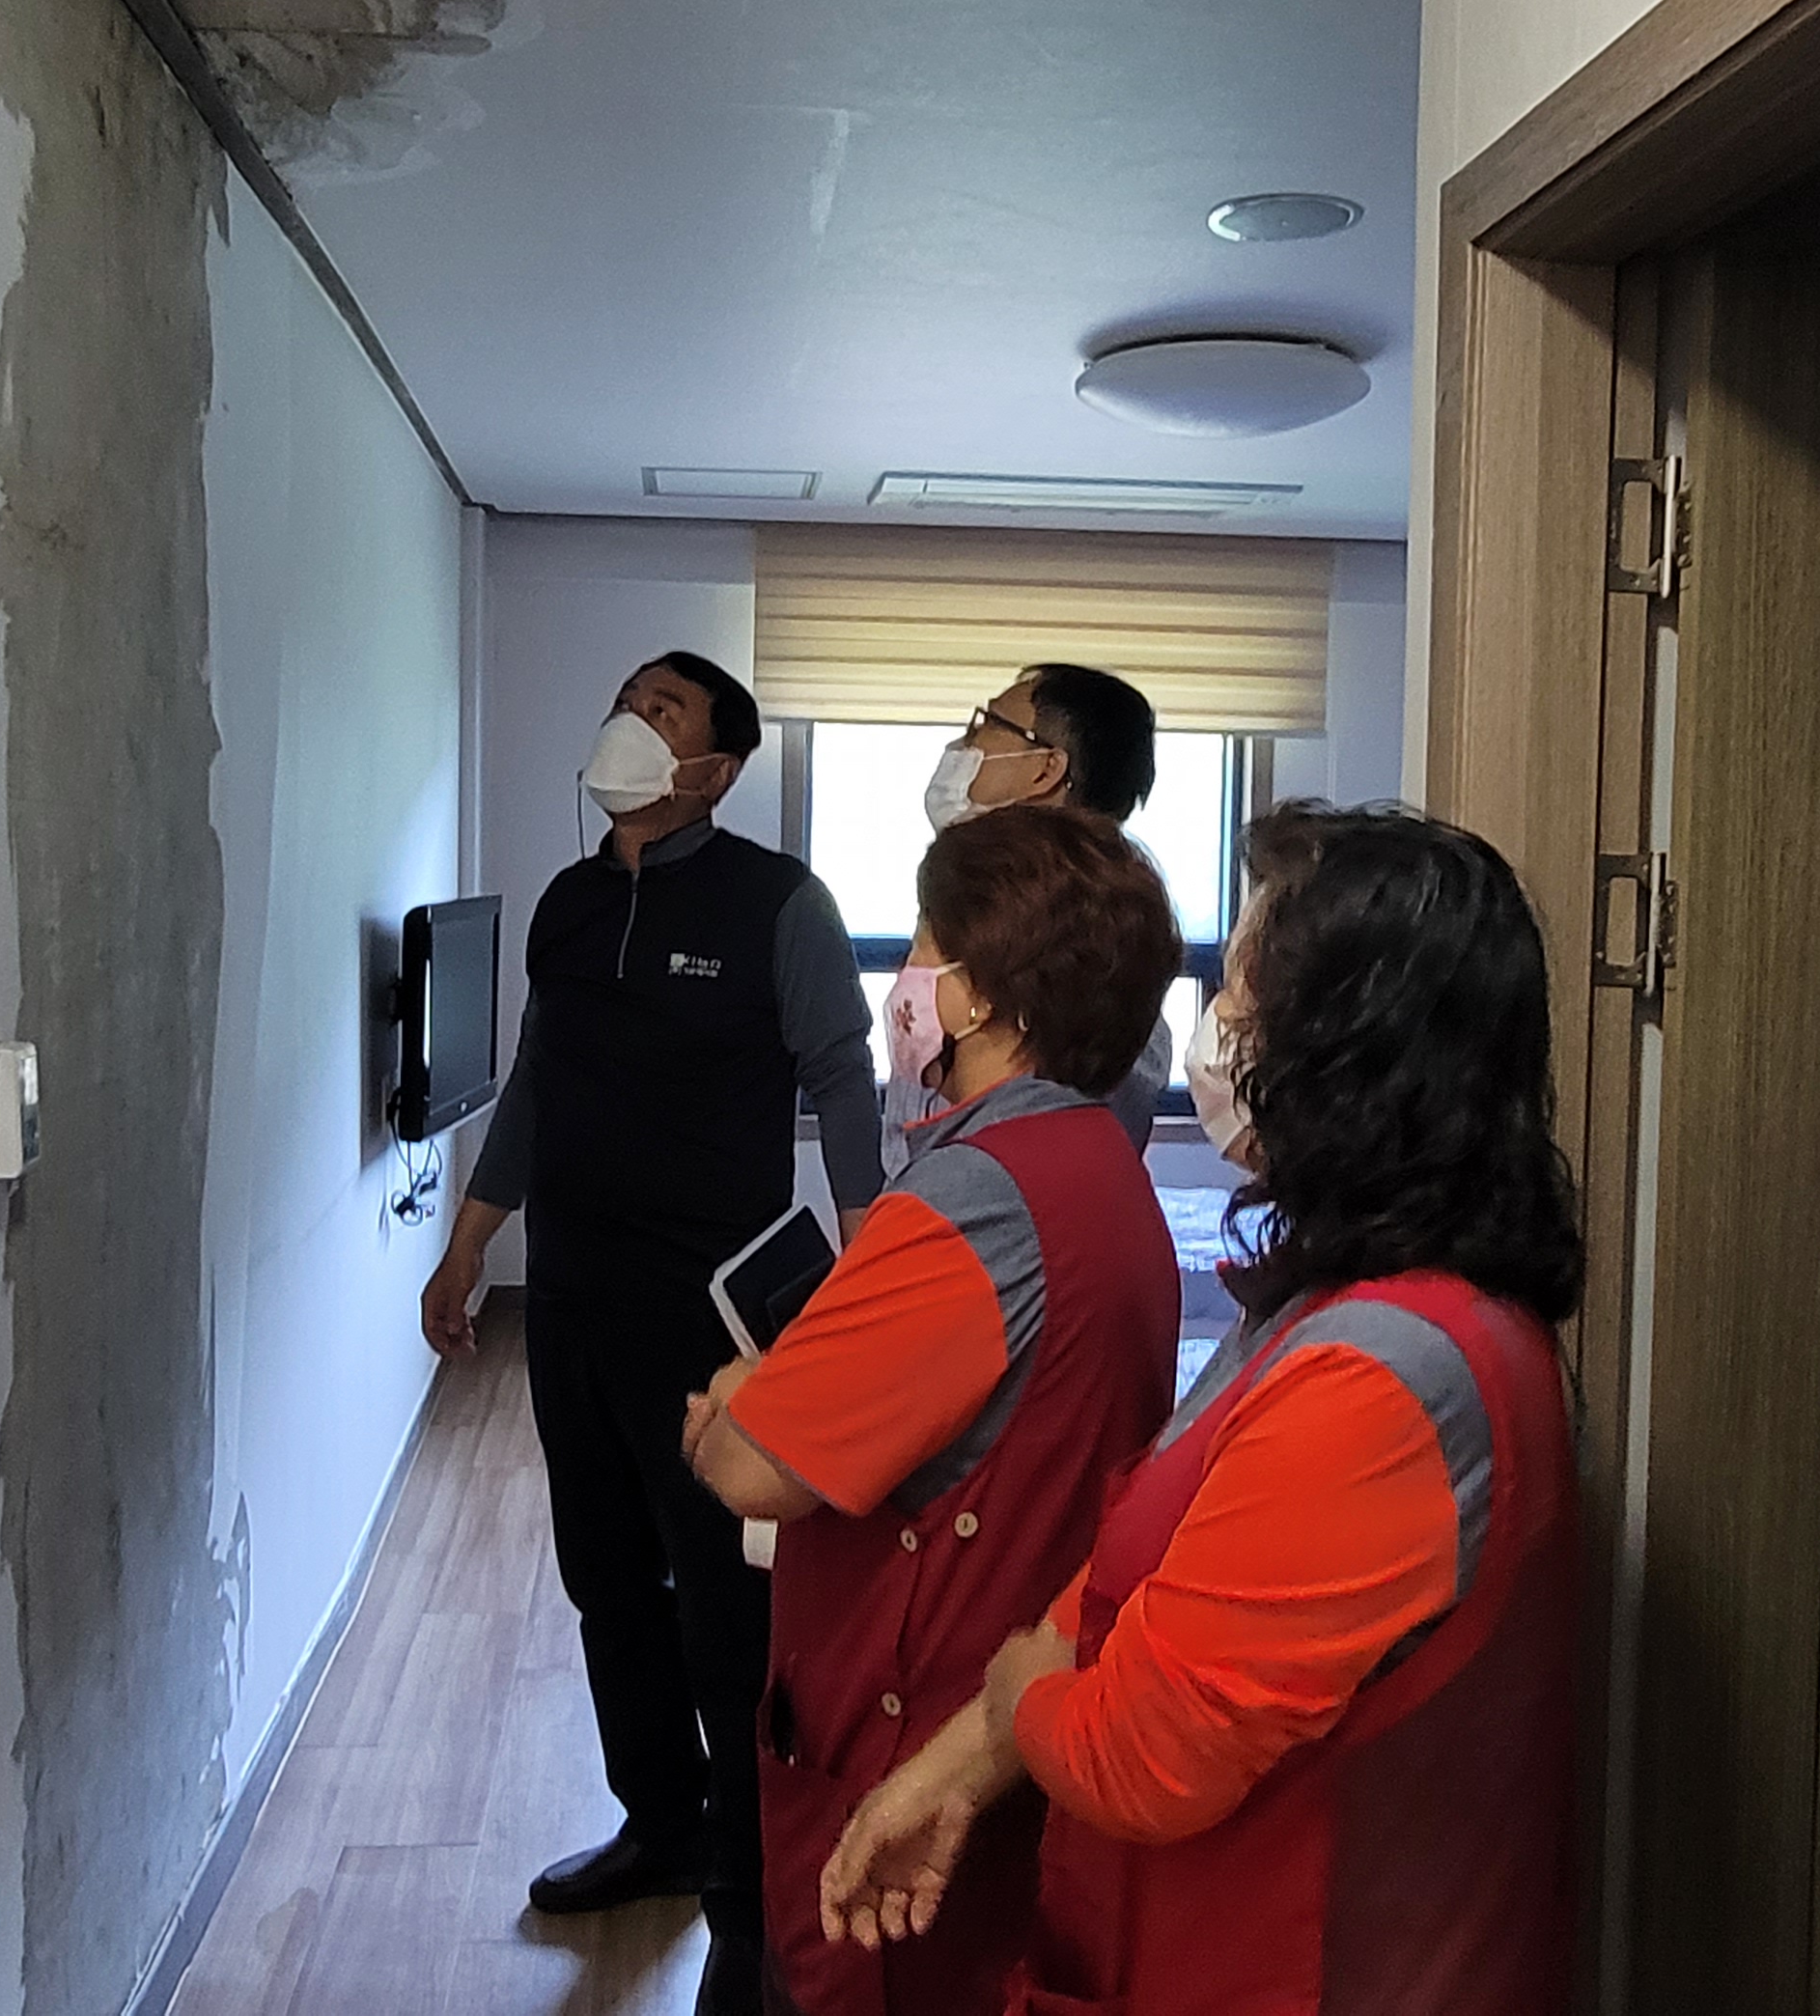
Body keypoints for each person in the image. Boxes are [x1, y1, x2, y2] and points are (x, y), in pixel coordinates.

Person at [815, 803, 1588, 2016]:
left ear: (1344, 1049)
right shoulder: (1343, 1303)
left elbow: (1138, 1755)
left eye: (1243, 994)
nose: (1216, 1026)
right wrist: (962, 1766)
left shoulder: (1382, 1384)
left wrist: (1020, 1687)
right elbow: (1163, 1569)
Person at [418, 651, 886, 2015]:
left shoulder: (777, 904)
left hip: (710, 1316)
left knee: (728, 1612)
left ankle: (748, 1902)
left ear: (714, 770)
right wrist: (471, 1237)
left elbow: (840, 1078)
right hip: (571, 1298)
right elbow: (535, 1080)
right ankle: (660, 1826)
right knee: (606, 1578)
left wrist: (870, 1255)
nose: (630, 718)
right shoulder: (568, 904)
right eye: (627, 697)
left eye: (663, 710)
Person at [679, 805, 1186, 2016]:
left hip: (897, 1773)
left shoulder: (972, 1200)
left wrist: (736, 1404)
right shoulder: (1101, 1165)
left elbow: (754, 1466)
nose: (904, 978)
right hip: (1009, 1739)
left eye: (922, 945)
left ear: (979, 995)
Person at [884, 664, 1178, 1162]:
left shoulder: (1100, 951)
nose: (966, 742)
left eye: (989, 724)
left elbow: (1060, 1163)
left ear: (1046, 769)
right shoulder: (971, 907)